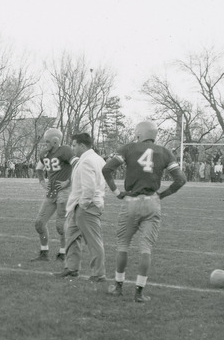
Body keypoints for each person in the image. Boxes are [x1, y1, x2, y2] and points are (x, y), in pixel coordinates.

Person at [102, 120, 186, 302]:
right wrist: (162, 196)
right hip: (152, 203)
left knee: (123, 246)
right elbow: (180, 179)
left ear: (138, 134)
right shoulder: (164, 152)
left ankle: (118, 286)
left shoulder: (129, 148)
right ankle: (139, 292)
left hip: (131, 201)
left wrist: (117, 192)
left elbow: (107, 169)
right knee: (146, 249)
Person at [55, 132, 107, 281]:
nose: (72, 148)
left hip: (85, 206)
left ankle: (98, 274)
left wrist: (83, 205)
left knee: (93, 241)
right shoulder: (96, 159)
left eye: (74, 145)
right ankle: (71, 268)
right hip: (80, 206)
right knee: (71, 235)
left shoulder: (87, 161)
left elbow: (89, 188)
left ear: (82, 146)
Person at [32, 128, 75, 262]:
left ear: (55, 141)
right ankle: (44, 252)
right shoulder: (45, 154)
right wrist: (41, 181)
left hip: (64, 192)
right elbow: (39, 169)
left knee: (60, 226)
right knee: (39, 223)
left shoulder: (65, 151)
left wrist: (68, 181)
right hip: (51, 193)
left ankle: (63, 253)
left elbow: (78, 166)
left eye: (47, 142)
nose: (45, 145)